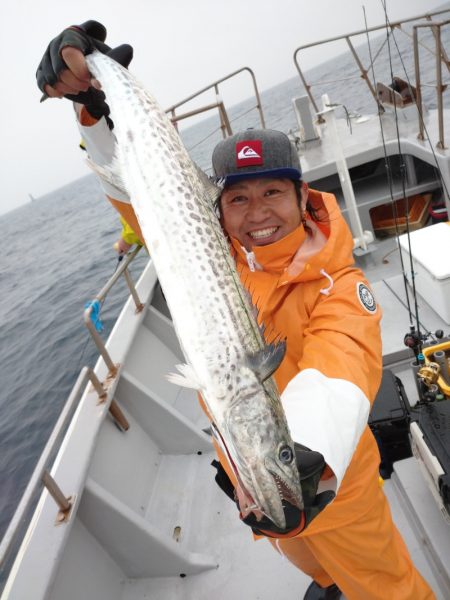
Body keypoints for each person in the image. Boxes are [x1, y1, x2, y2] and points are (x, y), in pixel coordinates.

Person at [36, 22, 435, 600]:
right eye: (238, 198)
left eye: (272, 192)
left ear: (303, 196)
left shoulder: (341, 285)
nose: (256, 213)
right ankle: (327, 584)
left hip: (328, 484)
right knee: (308, 560)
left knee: (386, 586)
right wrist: (92, 111)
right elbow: (138, 199)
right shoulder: (206, 246)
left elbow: (340, 371)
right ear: (215, 207)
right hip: (263, 488)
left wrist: (299, 457)